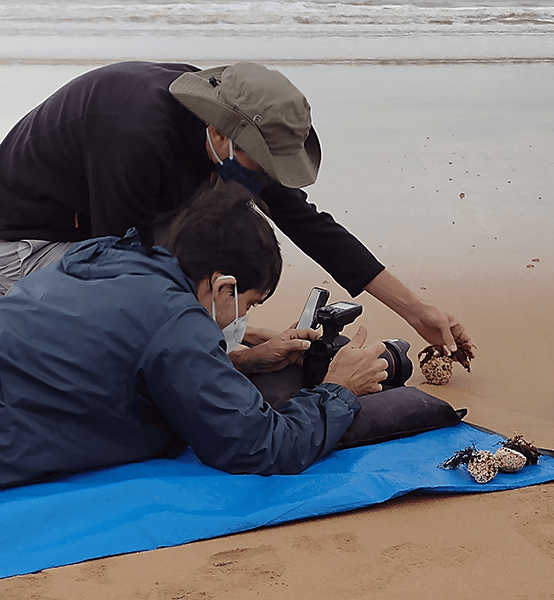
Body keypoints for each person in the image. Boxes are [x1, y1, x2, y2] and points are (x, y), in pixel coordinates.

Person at [0, 60, 473, 360]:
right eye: (259, 165)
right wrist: (237, 354)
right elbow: (117, 269)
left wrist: (417, 310)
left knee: (216, 270)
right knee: (134, 327)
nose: (260, 178)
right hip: (27, 243)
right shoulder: (135, 136)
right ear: (222, 132)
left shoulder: (235, 128)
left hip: (106, 233)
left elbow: (306, 223)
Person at [0, 190, 389, 490]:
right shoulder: (175, 319)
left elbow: (110, 358)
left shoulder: (94, 255)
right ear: (224, 287)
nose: (243, 317)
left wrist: (241, 362)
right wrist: (340, 388)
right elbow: (260, 446)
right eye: (248, 303)